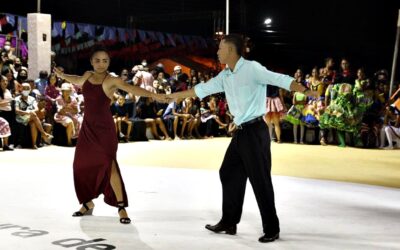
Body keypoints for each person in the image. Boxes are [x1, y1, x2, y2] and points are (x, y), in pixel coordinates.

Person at [168, 34, 317, 243]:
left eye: (220, 48)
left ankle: (272, 228)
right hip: (240, 132)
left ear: (230, 50)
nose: (217, 52)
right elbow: (201, 89)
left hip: (255, 131)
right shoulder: (225, 75)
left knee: (260, 180)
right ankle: (229, 221)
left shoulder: (252, 68)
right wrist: (172, 97)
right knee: (228, 172)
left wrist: (305, 90)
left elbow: (279, 79)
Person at [53, 45, 167, 224]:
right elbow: (76, 79)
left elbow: (133, 89)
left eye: (105, 61)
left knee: (109, 165)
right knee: (80, 166)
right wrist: (62, 76)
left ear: (109, 63)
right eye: (97, 60)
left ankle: (121, 207)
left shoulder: (112, 80)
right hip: (88, 128)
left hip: (105, 130)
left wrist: (156, 96)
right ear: (91, 62)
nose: (101, 64)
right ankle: (87, 202)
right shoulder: (88, 75)